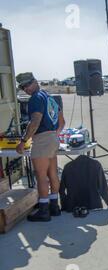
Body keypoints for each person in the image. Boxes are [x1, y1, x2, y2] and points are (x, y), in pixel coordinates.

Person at [15, 73, 65, 222]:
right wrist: (53, 135)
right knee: (52, 173)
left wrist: (23, 141)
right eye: (23, 87)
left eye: (27, 85)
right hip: (52, 138)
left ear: (35, 82)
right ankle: (54, 206)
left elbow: (35, 122)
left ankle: (44, 210)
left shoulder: (36, 98)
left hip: (42, 139)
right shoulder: (50, 97)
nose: (26, 89)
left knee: (41, 175)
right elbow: (62, 122)